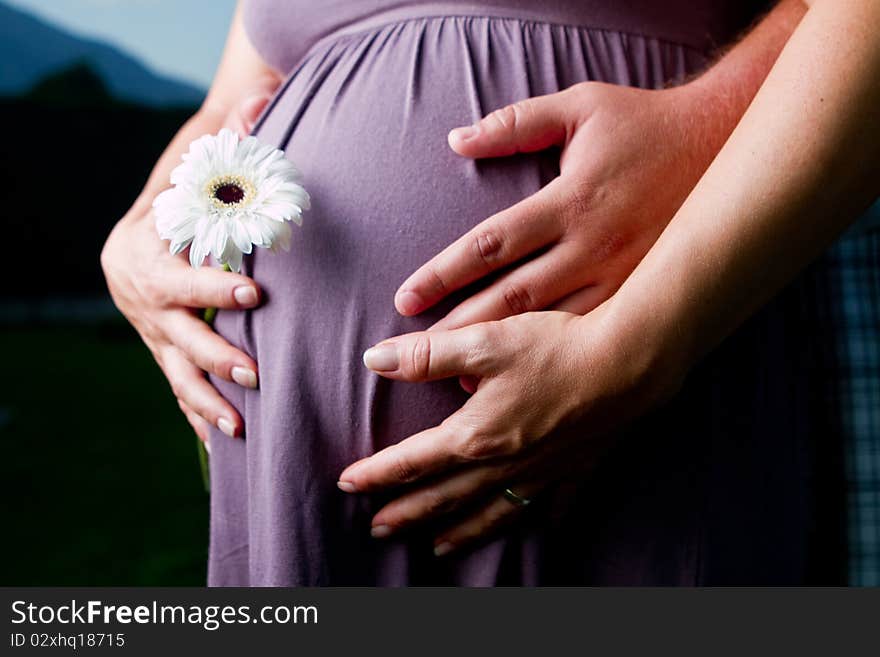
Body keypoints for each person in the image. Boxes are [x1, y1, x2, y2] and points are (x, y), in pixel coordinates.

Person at [101, 0, 878, 585]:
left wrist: (642, 339)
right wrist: (139, 226)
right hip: (289, 443)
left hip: (649, 371)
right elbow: (240, 90)